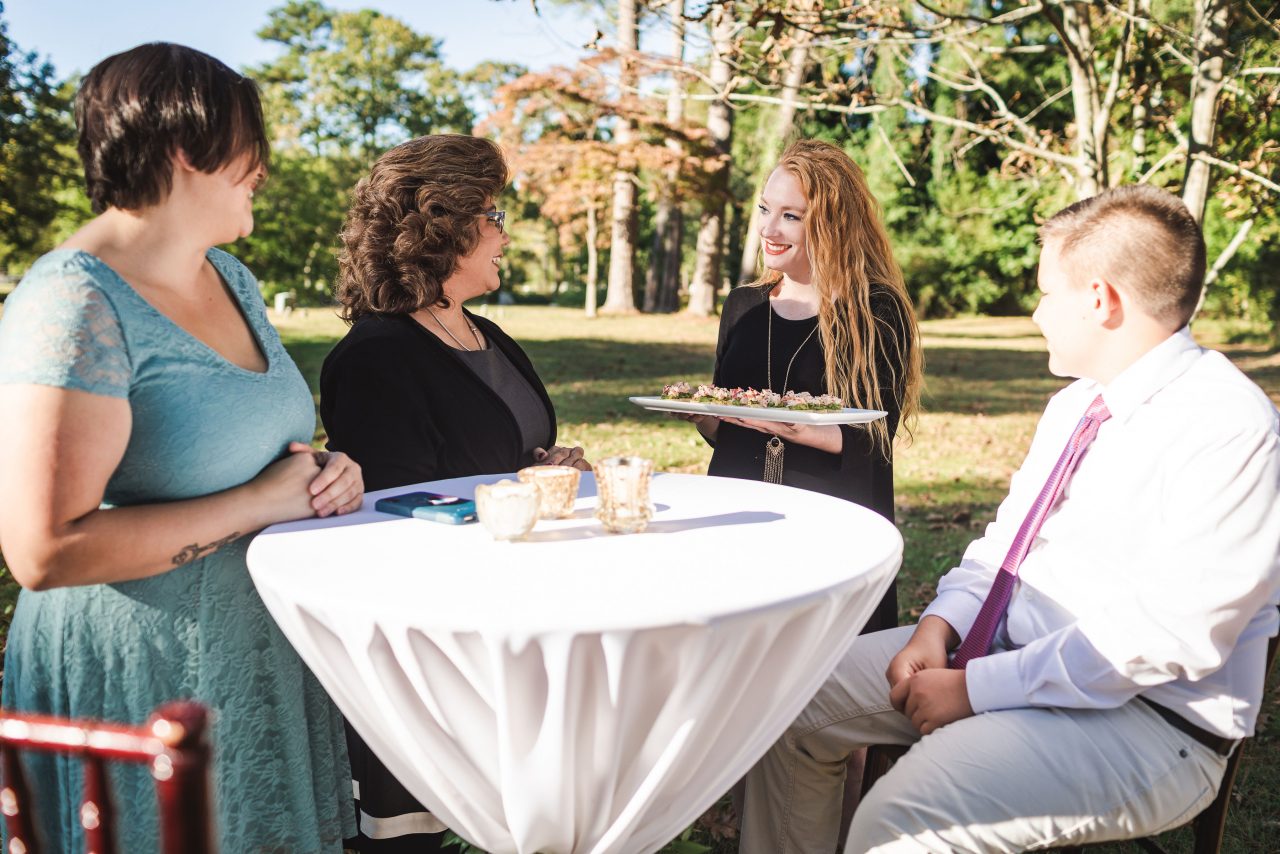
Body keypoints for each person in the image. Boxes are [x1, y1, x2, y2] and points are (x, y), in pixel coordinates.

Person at [740, 184, 1280, 853]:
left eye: (1048, 293)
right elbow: (1006, 545)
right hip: (997, 656)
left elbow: (1171, 636)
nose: (1035, 312)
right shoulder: (1076, 406)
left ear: (1101, 300)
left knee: (899, 820)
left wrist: (977, 689)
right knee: (784, 706)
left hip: (1147, 721)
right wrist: (940, 625)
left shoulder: (1228, 423)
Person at [0, 44, 363, 851]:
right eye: (248, 146)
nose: (265, 165)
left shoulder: (229, 277)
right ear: (181, 148)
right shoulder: (72, 303)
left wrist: (325, 471)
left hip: (255, 655)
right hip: (138, 684)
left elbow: (257, 441)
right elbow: (42, 550)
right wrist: (255, 505)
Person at [319, 133, 590, 852]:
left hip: (507, 621)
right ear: (445, 225)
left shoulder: (486, 332)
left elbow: (505, 456)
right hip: (426, 655)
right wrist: (527, 490)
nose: (505, 233)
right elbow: (399, 522)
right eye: (494, 216)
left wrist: (551, 467)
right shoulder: (375, 358)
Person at [681, 139, 923, 635]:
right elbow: (727, 426)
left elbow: (874, 439)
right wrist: (703, 413)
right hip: (742, 515)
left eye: (791, 216)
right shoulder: (743, 305)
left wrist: (790, 425)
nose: (769, 229)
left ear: (832, 222)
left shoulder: (875, 310)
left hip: (831, 522)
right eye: (766, 209)